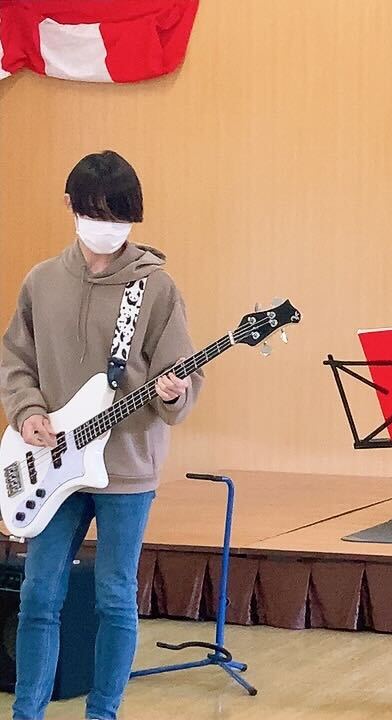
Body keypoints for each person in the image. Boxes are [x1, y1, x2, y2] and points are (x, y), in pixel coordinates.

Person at [0, 150, 203, 720]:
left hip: (127, 468)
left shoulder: (156, 288)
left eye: (120, 216)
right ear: (70, 206)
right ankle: (27, 712)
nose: (108, 227)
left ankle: (103, 713)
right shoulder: (42, 281)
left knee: (116, 597)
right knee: (39, 594)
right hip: (49, 462)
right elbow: (15, 360)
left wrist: (174, 392)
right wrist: (27, 412)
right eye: (97, 214)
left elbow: (182, 379)